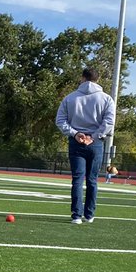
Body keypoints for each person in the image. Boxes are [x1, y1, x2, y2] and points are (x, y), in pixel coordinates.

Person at [55, 67, 115, 224]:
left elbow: (60, 120)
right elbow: (109, 122)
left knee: (77, 179)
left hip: (76, 142)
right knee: (92, 180)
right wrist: (94, 136)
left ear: (82, 78)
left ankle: (76, 215)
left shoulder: (70, 98)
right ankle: (89, 215)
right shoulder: (106, 99)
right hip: (95, 144)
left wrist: (75, 133)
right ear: (98, 79)